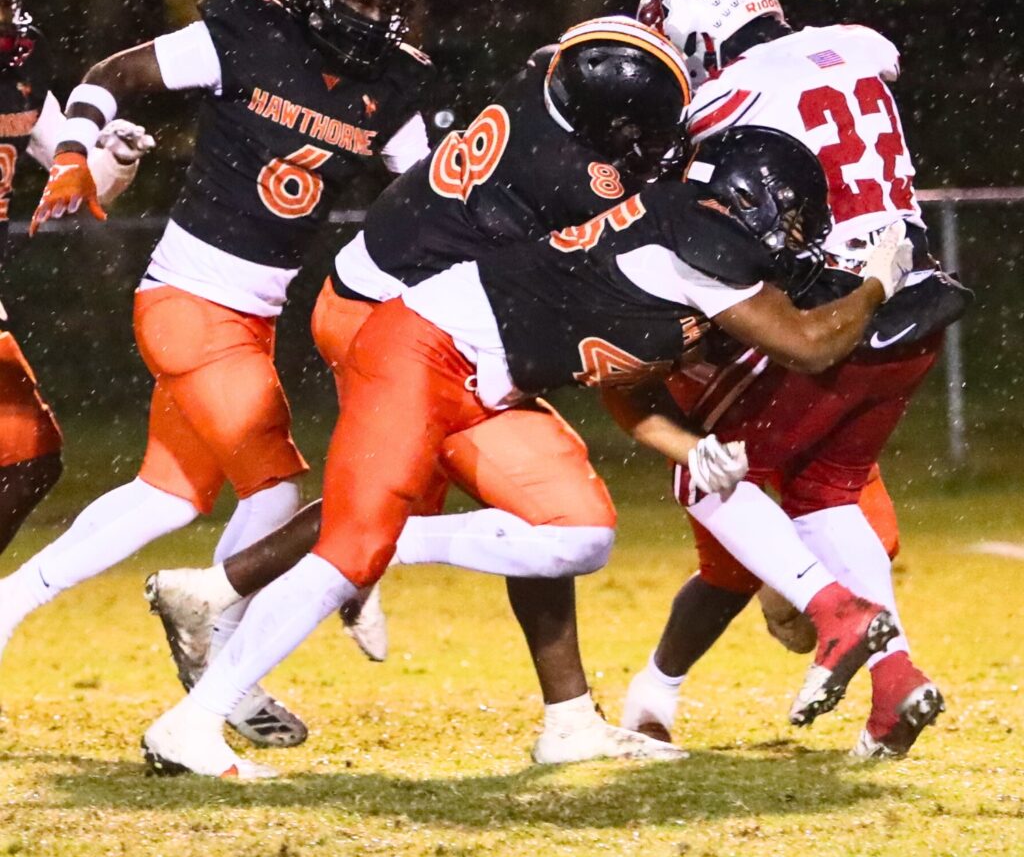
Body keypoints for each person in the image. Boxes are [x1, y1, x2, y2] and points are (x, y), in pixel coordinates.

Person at [140, 122, 916, 779]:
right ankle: (192, 724)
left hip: (492, 385)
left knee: (576, 534)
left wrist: (689, 447)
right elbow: (812, 347)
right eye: (789, 221)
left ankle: (565, 720)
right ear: (751, 206)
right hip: (420, 350)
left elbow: (628, 384)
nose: (791, 242)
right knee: (353, 547)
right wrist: (877, 282)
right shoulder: (697, 236)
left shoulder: (683, 247)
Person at [149, 15, 706, 766]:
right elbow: (621, 249)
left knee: (532, 518)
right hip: (394, 324)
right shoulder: (575, 179)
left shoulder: (546, 73)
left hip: (409, 309)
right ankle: (209, 674)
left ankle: (568, 718)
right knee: (371, 521)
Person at [0, 0, 434, 749]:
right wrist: (84, 147)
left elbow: (432, 193)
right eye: (360, 0)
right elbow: (114, 74)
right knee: (275, 491)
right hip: (190, 303)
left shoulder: (398, 84)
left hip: (253, 315)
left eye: (387, 4)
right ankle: (221, 666)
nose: (375, 20)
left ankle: (10, 602)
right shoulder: (246, 32)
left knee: (166, 495)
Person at [622, 0, 970, 755]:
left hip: (834, 314)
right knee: (826, 490)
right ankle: (895, 689)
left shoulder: (722, 95)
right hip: (914, 306)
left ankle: (836, 618)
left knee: (704, 470)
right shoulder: (856, 42)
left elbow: (683, 174)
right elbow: (872, 64)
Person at [0, 0, 154, 555]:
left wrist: (113, 158)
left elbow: (77, 183)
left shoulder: (22, 77)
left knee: (31, 460)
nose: (10, 16)